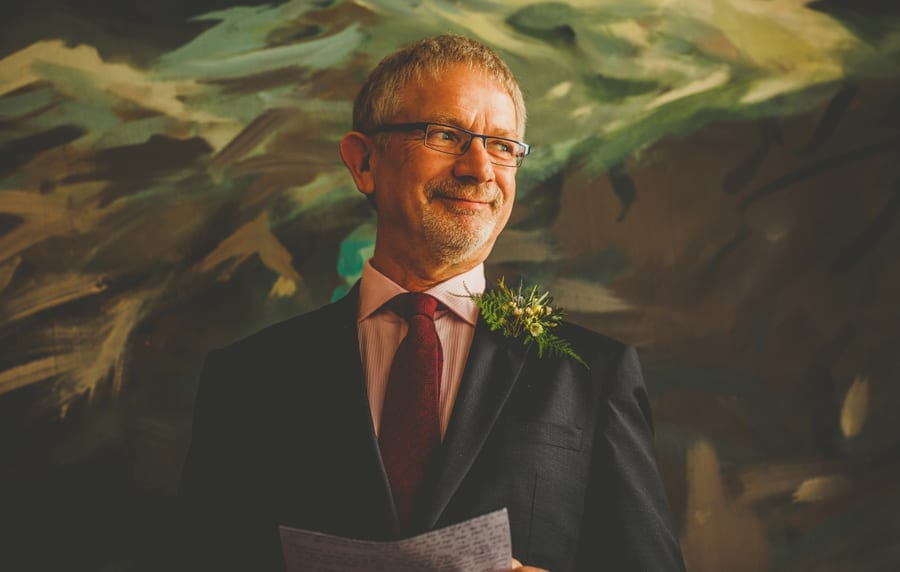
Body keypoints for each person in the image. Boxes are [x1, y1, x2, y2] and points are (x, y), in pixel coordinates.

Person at [170, 34, 686, 572]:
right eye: (445, 134)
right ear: (365, 161)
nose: (480, 169)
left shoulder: (594, 376)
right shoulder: (247, 378)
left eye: (503, 146)